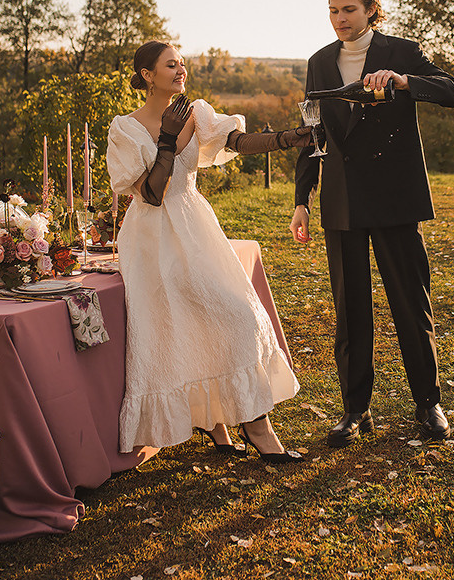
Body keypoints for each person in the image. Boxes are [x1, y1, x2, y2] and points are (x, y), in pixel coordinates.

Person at [107, 40, 311, 463]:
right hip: (151, 239)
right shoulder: (124, 128)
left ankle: (247, 424)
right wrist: (165, 141)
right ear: (147, 75)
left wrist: (288, 138)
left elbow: (237, 140)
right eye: (170, 65)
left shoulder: (195, 112)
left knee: (235, 315)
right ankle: (224, 426)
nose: (181, 71)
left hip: (195, 229)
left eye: (182, 64)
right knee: (177, 328)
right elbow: (149, 193)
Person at [290, 0, 454, 446]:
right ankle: (354, 410)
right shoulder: (319, 63)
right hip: (342, 202)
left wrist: (405, 82)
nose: (340, 19)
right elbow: (313, 132)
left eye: (348, 9)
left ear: (370, 8)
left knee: (411, 303)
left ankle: (428, 403)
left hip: (394, 197)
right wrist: (301, 200)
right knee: (351, 309)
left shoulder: (400, 51)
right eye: (332, 10)